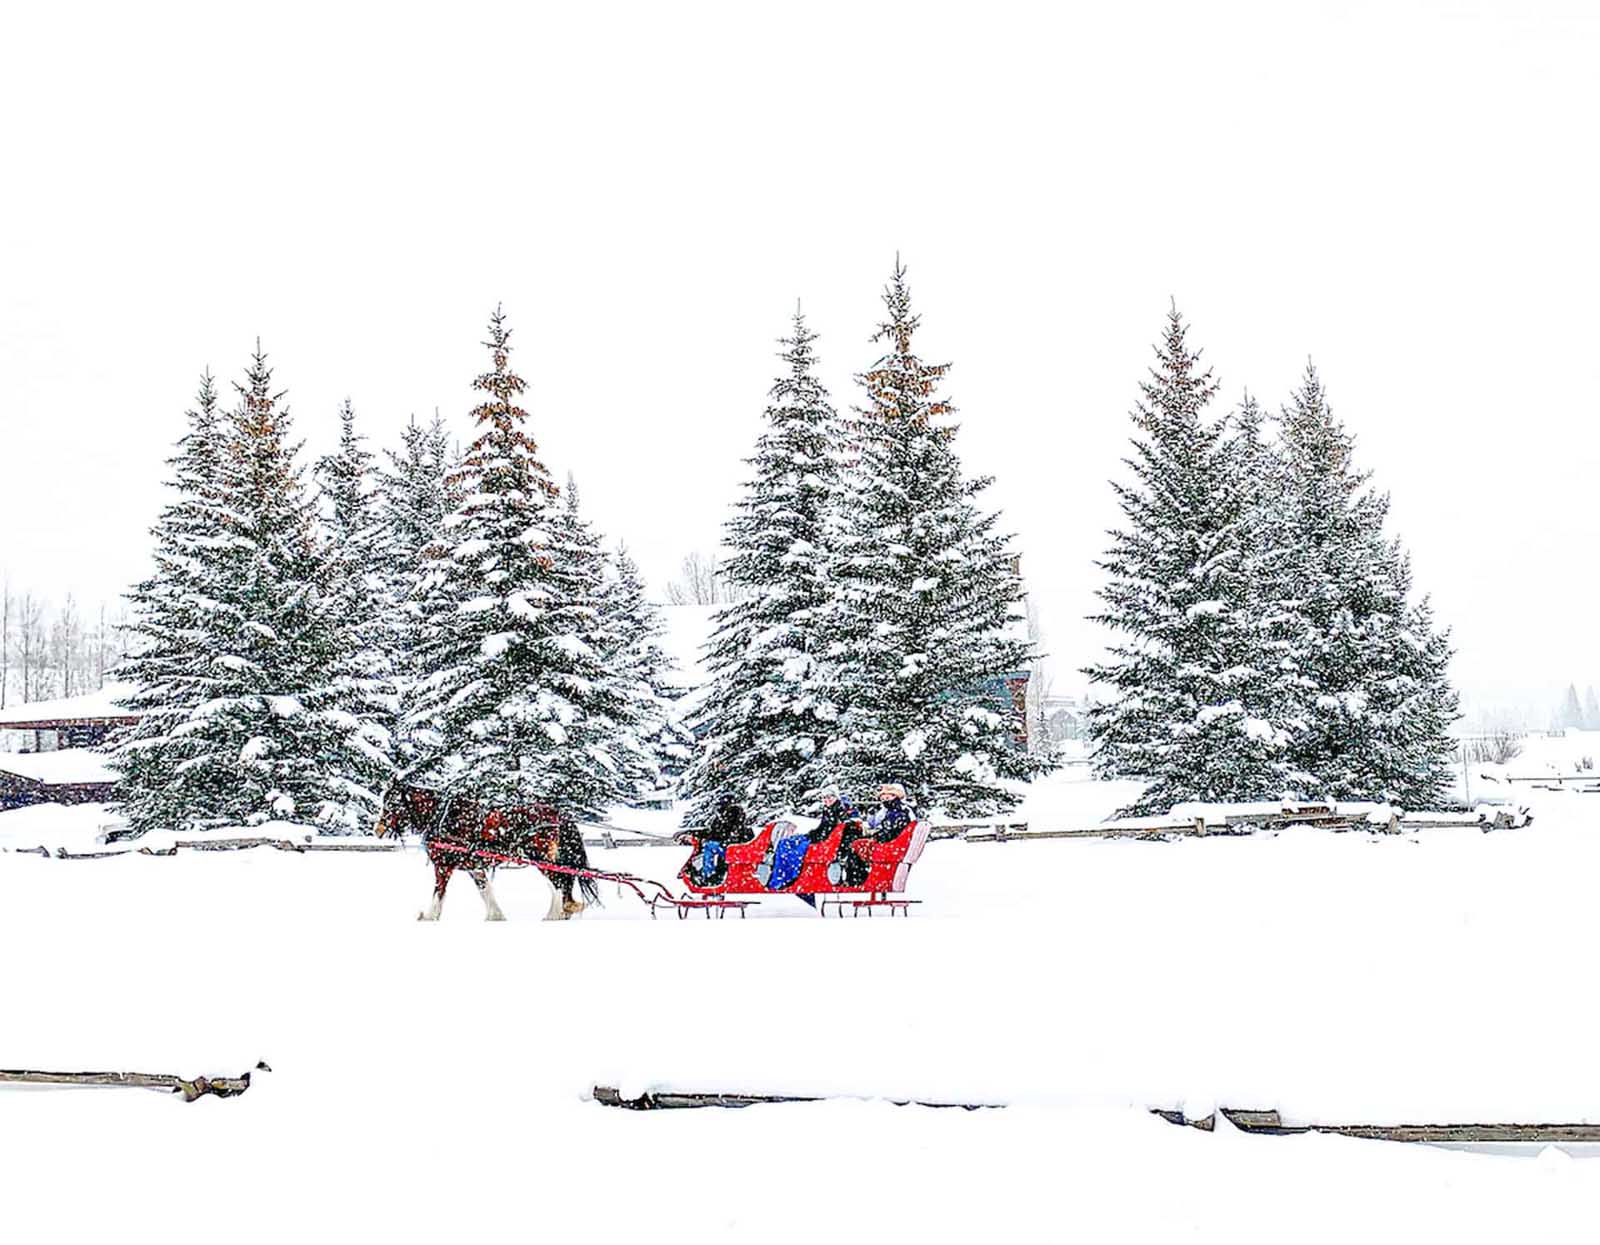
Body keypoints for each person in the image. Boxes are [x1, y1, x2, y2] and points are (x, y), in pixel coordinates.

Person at [839, 782, 915, 886]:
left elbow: (890, 832)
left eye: (888, 796)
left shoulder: (898, 812)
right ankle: (858, 878)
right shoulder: (896, 810)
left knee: (856, 846)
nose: (885, 799)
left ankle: (855, 880)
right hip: (895, 846)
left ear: (895, 796)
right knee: (858, 843)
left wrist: (874, 838)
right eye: (883, 797)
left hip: (891, 848)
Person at [680, 791, 752, 885]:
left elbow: (736, 832)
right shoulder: (722, 818)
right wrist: (692, 832)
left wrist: (726, 842)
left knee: (709, 846)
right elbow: (712, 832)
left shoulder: (735, 815)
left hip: (735, 848)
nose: (719, 809)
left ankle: (707, 876)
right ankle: (709, 874)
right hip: (731, 847)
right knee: (708, 845)